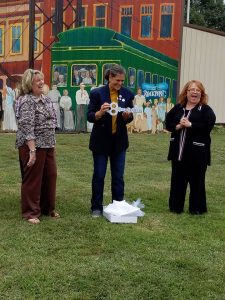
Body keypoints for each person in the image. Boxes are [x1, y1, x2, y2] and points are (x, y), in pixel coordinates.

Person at [87, 64, 134, 217]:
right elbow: (90, 116)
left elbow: (130, 114)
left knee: (118, 176)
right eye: (117, 80)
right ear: (110, 77)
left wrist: (128, 116)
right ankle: (96, 207)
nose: (120, 84)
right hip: (101, 141)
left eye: (122, 81)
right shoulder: (96, 94)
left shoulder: (128, 94)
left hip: (119, 142)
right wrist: (100, 112)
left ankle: (118, 205)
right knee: (99, 175)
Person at [15, 69, 60, 224]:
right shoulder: (26, 100)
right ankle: (31, 212)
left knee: (51, 175)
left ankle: (48, 208)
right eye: (38, 81)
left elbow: (51, 121)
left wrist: (52, 143)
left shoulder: (46, 99)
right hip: (32, 145)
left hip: (48, 144)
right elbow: (26, 126)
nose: (42, 82)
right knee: (33, 179)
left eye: (42, 79)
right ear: (29, 84)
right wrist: (32, 150)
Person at [165, 80, 216, 215]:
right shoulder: (178, 107)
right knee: (177, 180)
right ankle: (176, 207)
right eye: (191, 90)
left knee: (197, 182)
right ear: (186, 92)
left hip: (197, 154)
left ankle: (197, 209)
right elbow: (168, 122)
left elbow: (208, 126)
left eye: (197, 90)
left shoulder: (205, 110)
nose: (194, 92)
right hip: (178, 152)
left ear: (201, 93)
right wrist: (178, 126)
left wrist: (191, 125)